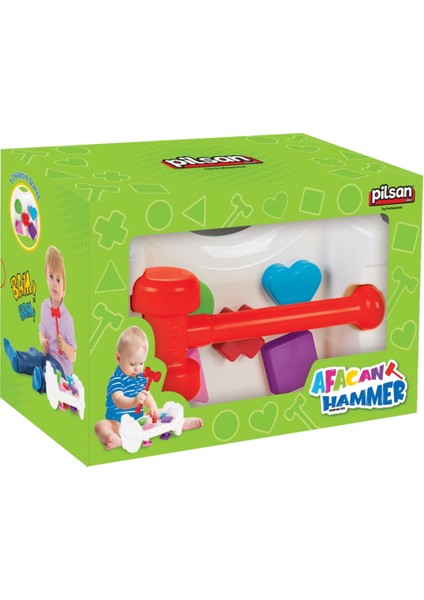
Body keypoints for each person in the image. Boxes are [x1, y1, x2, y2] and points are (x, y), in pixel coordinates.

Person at [95, 326, 202, 450]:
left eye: (141, 363)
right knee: (100, 426)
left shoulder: (140, 377)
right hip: (118, 423)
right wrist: (134, 401)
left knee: (163, 412)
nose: (137, 368)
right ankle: (115, 438)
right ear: (119, 358)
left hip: (139, 421)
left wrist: (152, 407)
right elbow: (118, 400)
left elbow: (147, 395)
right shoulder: (116, 379)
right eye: (132, 364)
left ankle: (180, 422)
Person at [3, 246, 76, 394]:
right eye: (51, 276)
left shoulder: (67, 319)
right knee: (35, 356)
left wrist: (65, 346)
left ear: (64, 288)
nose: (54, 283)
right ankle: (18, 360)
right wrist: (42, 340)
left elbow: (73, 356)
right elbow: (41, 330)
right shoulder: (44, 306)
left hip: (61, 366)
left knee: (51, 372)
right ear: (46, 277)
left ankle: (41, 381)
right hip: (46, 355)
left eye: (58, 280)